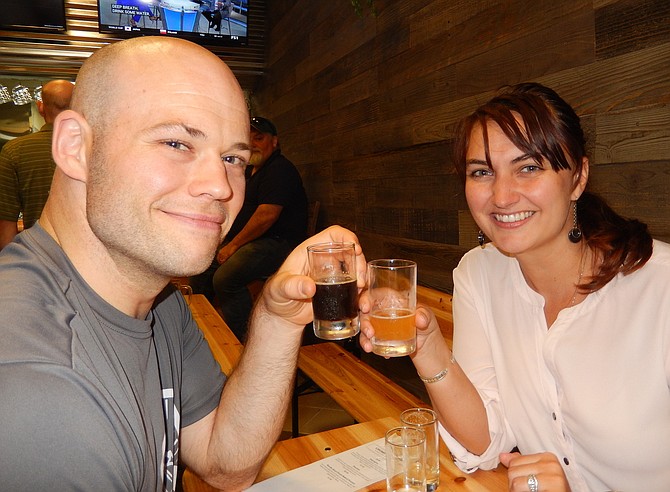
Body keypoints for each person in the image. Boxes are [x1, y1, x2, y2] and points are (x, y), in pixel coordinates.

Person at [0, 35, 366, 491]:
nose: (221, 186)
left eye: (233, 157)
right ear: (76, 146)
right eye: (176, 142)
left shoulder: (158, 299)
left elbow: (224, 463)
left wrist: (277, 319)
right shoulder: (40, 393)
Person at [360, 83, 670, 491]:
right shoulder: (479, 274)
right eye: (482, 172)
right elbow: (486, 441)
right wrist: (425, 345)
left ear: (577, 177)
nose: (502, 196)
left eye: (528, 168)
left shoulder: (658, 288)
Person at [192, 116, 308, 342]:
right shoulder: (250, 172)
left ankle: (245, 340)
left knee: (226, 277)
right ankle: (198, 329)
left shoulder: (280, 169)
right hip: (253, 242)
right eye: (249, 138)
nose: (253, 143)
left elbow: (266, 216)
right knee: (201, 265)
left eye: (259, 137)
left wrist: (233, 245)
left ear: (274, 142)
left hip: (278, 243)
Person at [0, 79, 74, 250]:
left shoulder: (14, 151)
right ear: (77, 107)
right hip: (88, 259)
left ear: (40, 107)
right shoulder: (94, 149)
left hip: (39, 254)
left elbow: (6, 224)